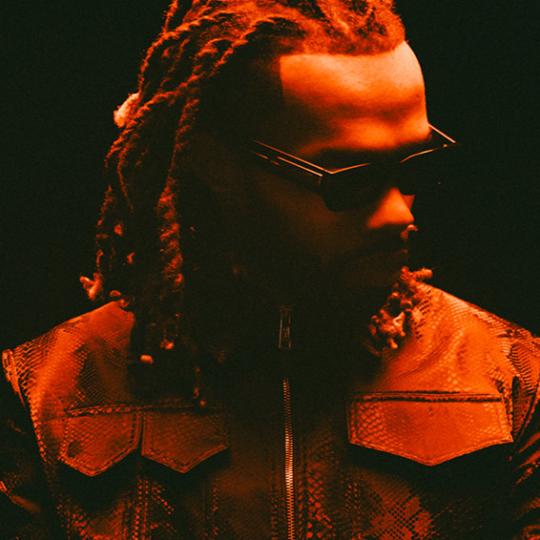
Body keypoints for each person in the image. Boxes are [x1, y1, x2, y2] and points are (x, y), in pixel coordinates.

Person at [1, 1, 538, 538]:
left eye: (417, 165)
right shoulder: (41, 395)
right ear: (215, 165)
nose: (400, 213)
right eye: (349, 179)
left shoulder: (513, 380)